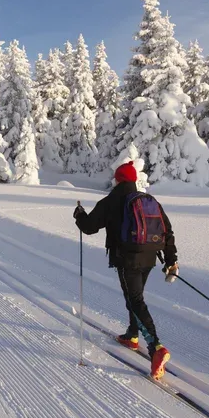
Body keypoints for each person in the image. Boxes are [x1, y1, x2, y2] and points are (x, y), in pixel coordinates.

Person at [73, 161, 178, 380]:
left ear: (118, 179)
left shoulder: (111, 201)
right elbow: (167, 231)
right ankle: (132, 335)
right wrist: (171, 260)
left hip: (126, 258)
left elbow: (89, 227)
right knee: (135, 296)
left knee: (135, 300)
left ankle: (156, 348)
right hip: (150, 258)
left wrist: (79, 215)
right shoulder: (149, 201)